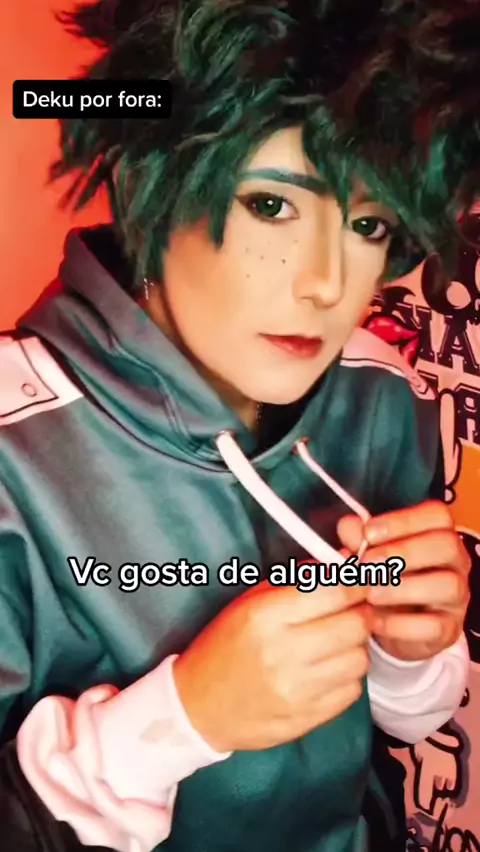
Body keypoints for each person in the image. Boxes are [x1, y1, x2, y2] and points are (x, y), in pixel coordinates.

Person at [1, 0, 478, 850]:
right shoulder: (15, 450)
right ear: (152, 189)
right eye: (270, 205)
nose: (327, 282)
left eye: (368, 224)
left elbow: (400, 725)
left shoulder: (378, 390)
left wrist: (411, 652)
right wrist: (179, 721)